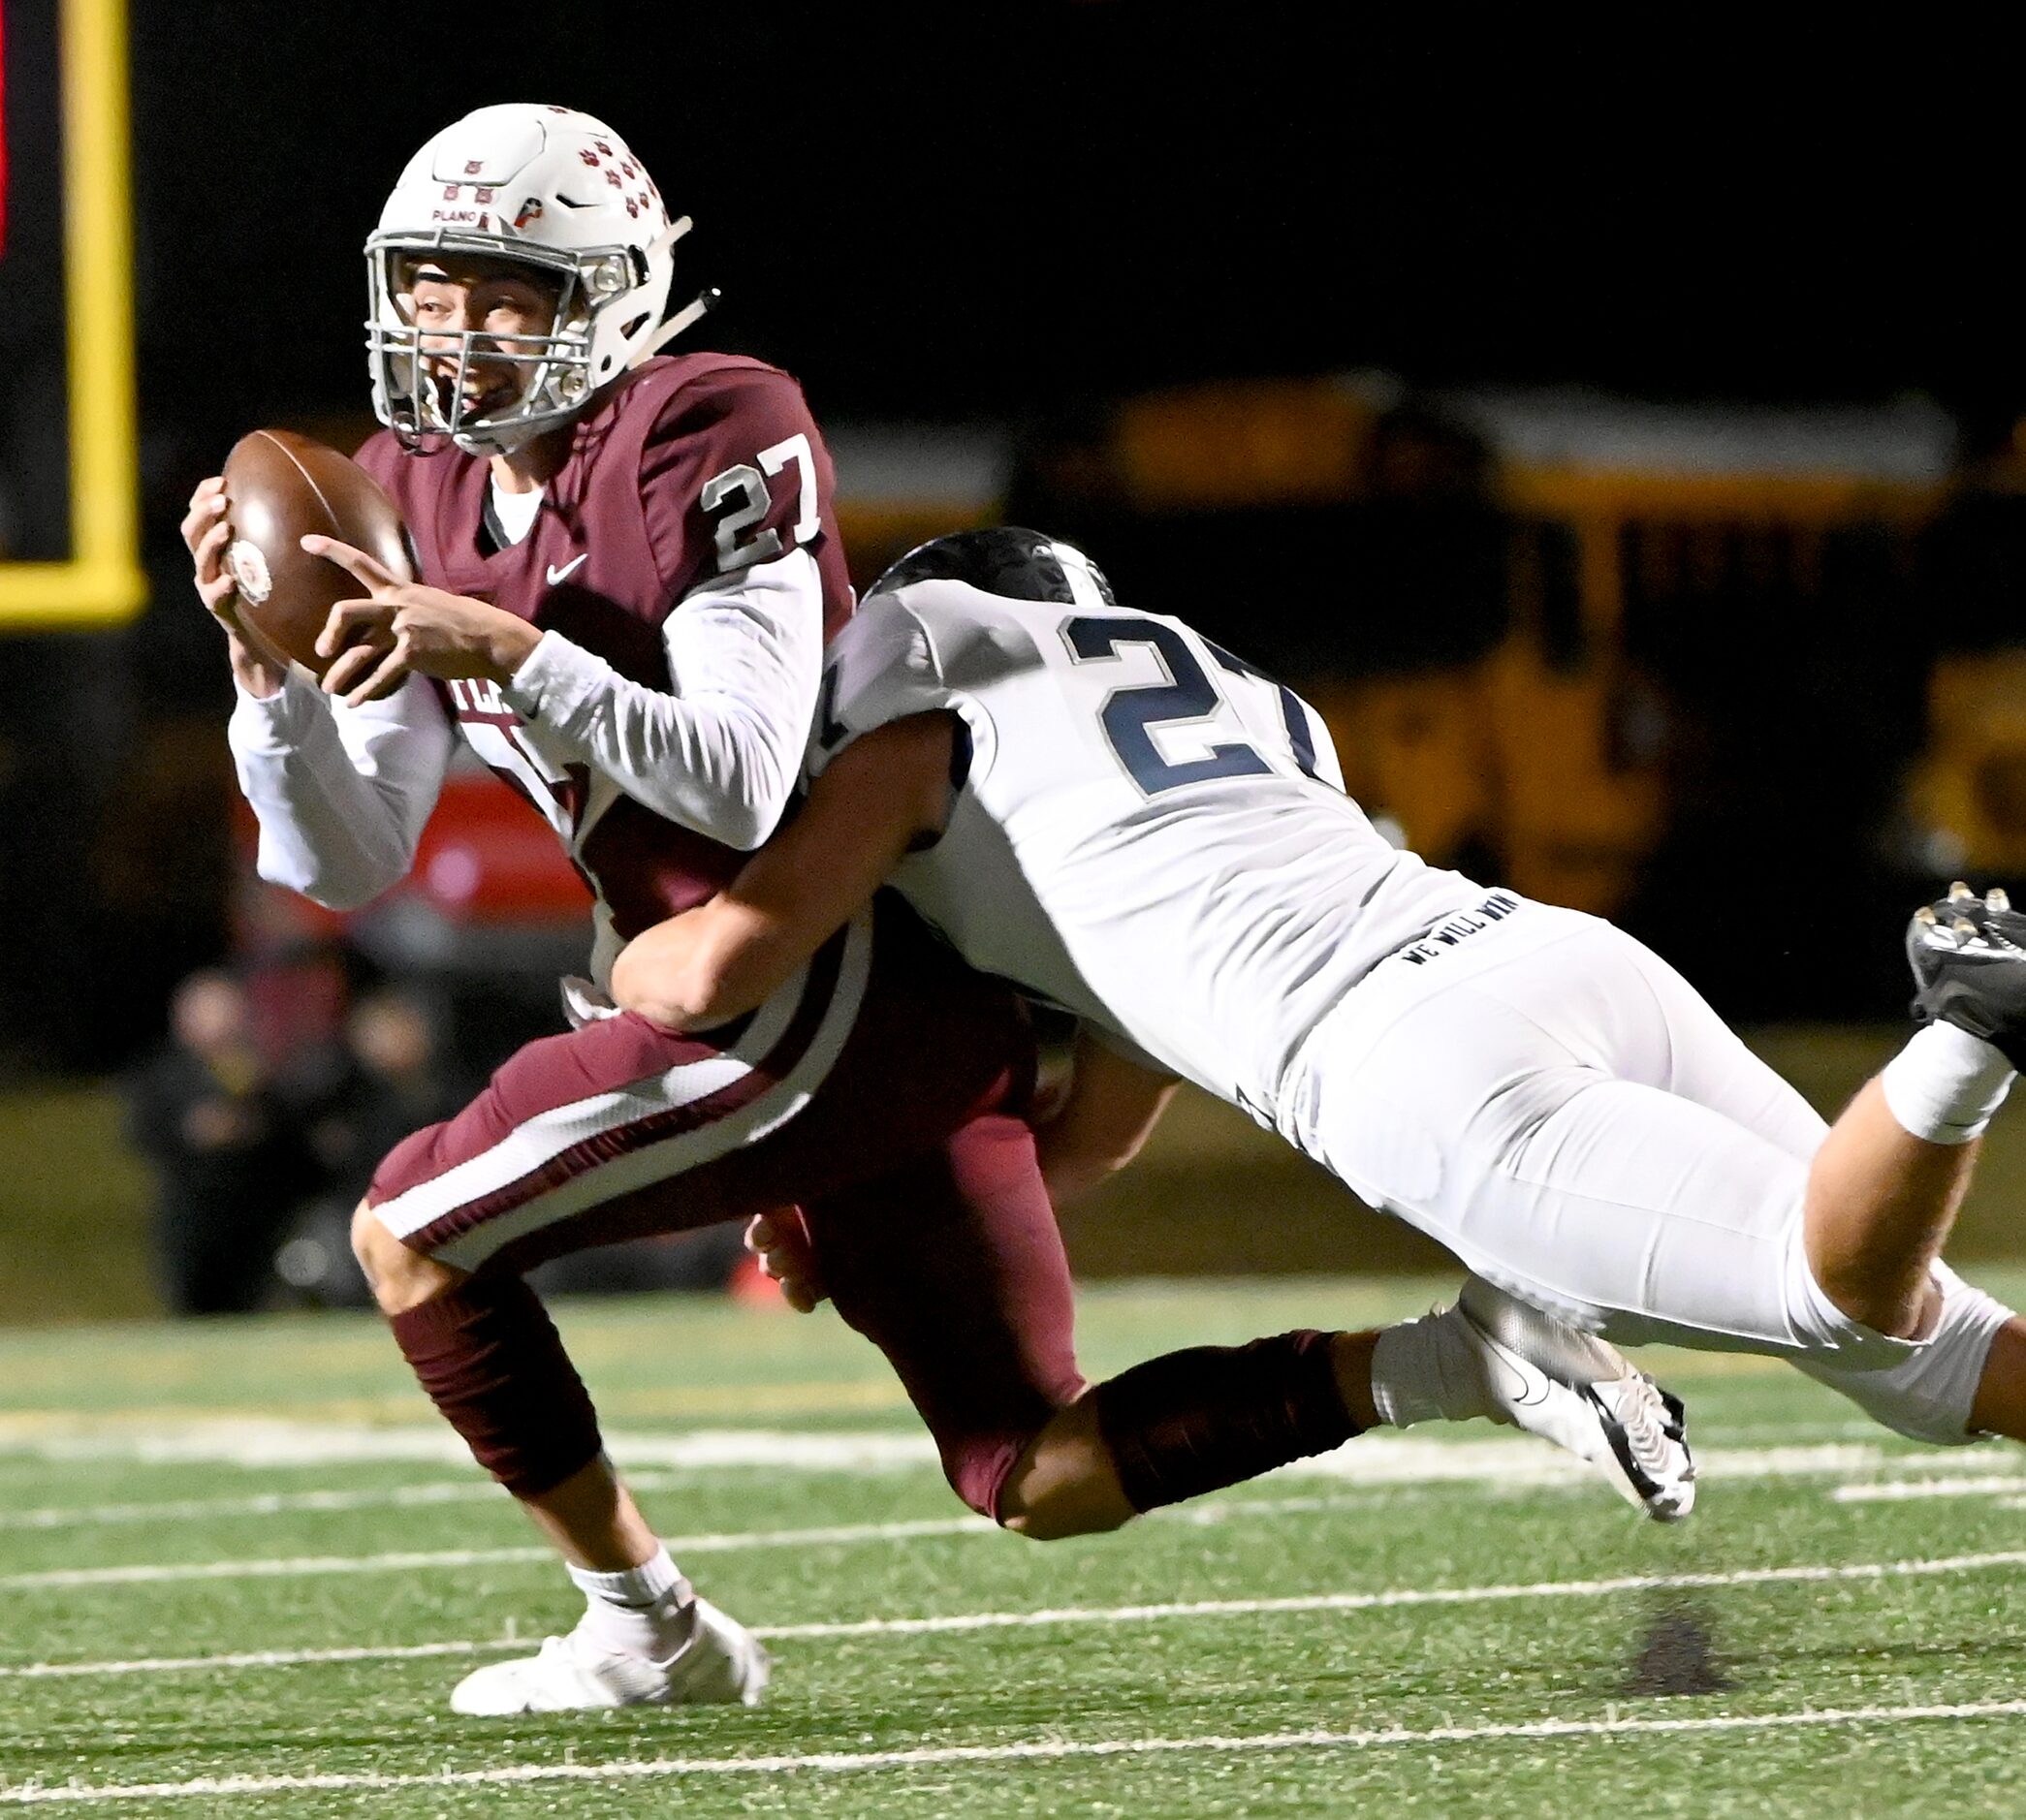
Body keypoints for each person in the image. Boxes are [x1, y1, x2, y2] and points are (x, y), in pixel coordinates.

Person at [180, 110, 1688, 1716]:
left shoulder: (706, 419)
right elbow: (348, 859)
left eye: (510, 293)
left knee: (409, 1232)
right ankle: (1466, 1353)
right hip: (832, 1014)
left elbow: (746, 782)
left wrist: (515, 654)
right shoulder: (410, 481)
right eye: (435, 287)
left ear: (612, 297)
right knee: (1027, 1468)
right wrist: (265, 682)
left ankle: (649, 1626)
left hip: (808, 984)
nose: (459, 333)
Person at [610, 526, 2026, 1470]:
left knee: (1838, 1299)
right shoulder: (1243, 699)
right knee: (1929, 1350)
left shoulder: (922, 681)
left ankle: (1965, 1030)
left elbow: (714, 964)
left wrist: (614, 944)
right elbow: (1096, 1129)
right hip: (1542, 948)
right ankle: (1967, 1030)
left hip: (1415, 1066)